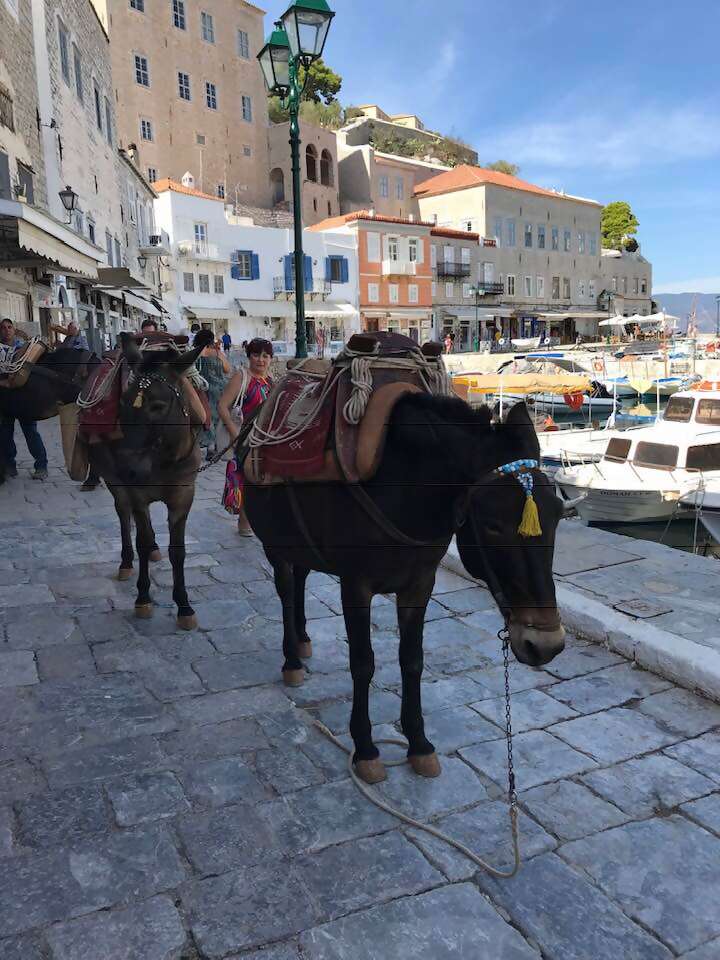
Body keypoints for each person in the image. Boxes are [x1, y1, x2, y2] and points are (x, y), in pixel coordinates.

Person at [219, 338, 273, 536]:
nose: (261, 360)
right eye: (256, 355)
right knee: (245, 480)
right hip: (244, 438)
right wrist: (235, 434)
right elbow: (222, 406)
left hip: (265, 439)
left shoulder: (270, 380)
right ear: (249, 356)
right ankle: (244, 522)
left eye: (265, 356)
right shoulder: (241, 377)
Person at [0, 317, 48, 480]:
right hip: (4, 398)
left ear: (14, 330)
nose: (7, 330)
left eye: (9, 327)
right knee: (5, 434)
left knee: (30, 432)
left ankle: (41, 466)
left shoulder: (25, 348)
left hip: (24, 397)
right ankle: (10, 466)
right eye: (3, 328)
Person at [196, 333, 231, 460]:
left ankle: (210, 446)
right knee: (218, 417)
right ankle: (217, 445)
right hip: (220, 388)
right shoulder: (217, 353)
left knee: (207, 416)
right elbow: (227, 369)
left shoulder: (197, 354)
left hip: (203, 389)